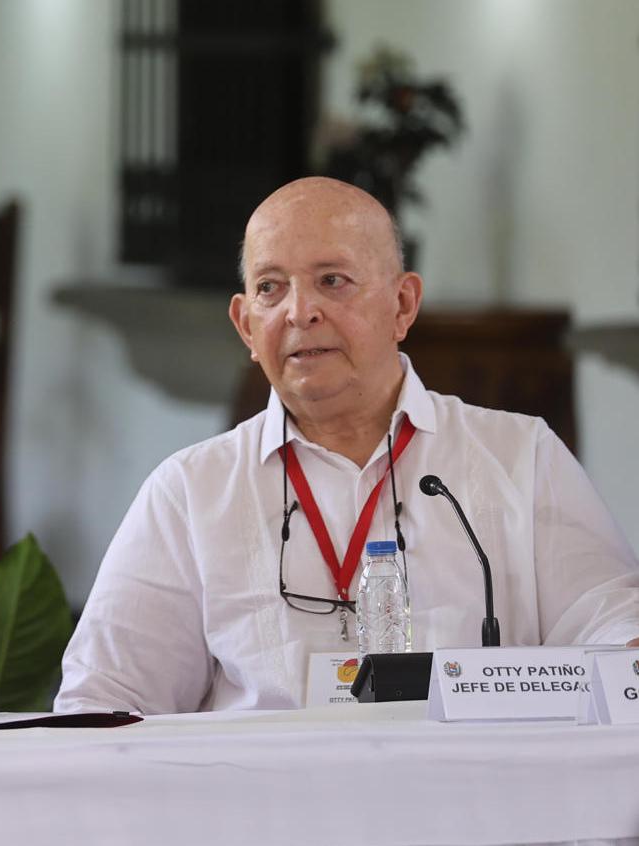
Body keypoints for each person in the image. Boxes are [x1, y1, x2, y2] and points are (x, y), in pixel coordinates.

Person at [57, 177, 639, 714]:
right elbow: (106, 698)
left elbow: (613, 638)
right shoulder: (189, 492)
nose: (300, 311)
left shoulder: (520, 456)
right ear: (245, 327)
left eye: (332, 281)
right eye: (270, 288)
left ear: (403, 305)